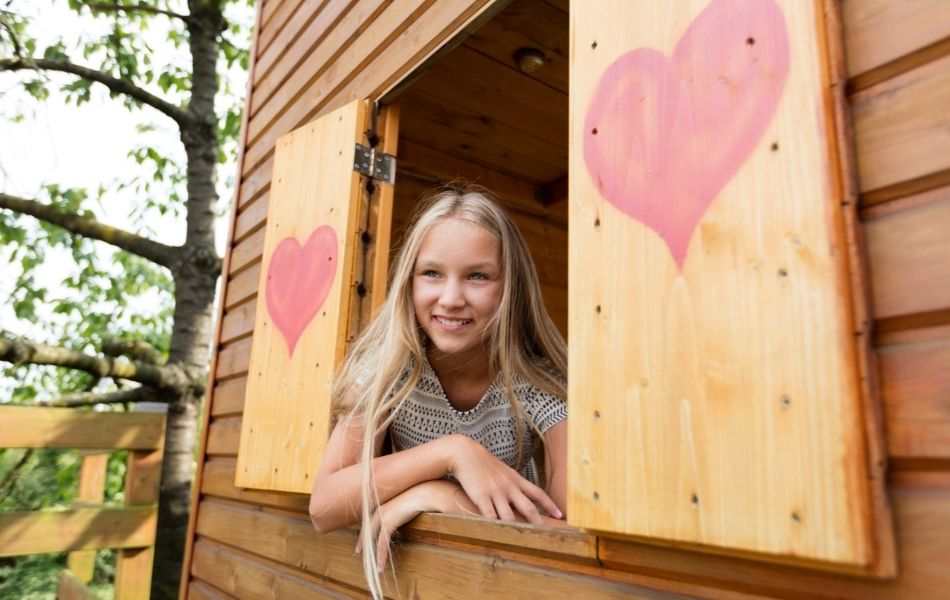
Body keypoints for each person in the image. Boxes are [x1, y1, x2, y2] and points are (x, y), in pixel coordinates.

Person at [308, 183, 568, 597]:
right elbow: (323, 508)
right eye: (432, 273)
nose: (450, 298)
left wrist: (440, 496)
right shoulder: (388, 372)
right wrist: (452, 453)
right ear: (409, 282)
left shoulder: (540, 385)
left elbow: (565, 530)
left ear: (510, 286)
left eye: (477, 276)